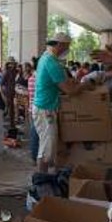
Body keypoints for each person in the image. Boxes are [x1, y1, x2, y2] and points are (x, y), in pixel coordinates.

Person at [33, 33, 93, 173]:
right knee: (47, 150)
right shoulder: (51, 62)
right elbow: (69, 90)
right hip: (45, 109)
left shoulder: (47, 58)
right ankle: (41, 182)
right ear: (60, 45)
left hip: (46, 107)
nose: (67, 50)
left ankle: (43, 179)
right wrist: (85, 85)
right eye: (67, 47)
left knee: (47, 147)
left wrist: (77, 79)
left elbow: (65, 82)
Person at [28, 57, 40, 164]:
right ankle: (35, 157)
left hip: (31, 108)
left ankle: (34, 156)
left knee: (33, 133)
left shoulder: (31, 78)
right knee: (36, 134)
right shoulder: (39, 79)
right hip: (38, 109)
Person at [0, 57, 17, 130]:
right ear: (8, 64)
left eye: (13, 63)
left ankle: (11, 125)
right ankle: (11, 125)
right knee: (10, 110)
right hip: (7, 93)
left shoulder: (13, 72)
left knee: (10, 110)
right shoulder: (6, 72)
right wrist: (3, 94)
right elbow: (1, 84)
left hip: (11, 93)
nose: (12, 65)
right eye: (11, 63)